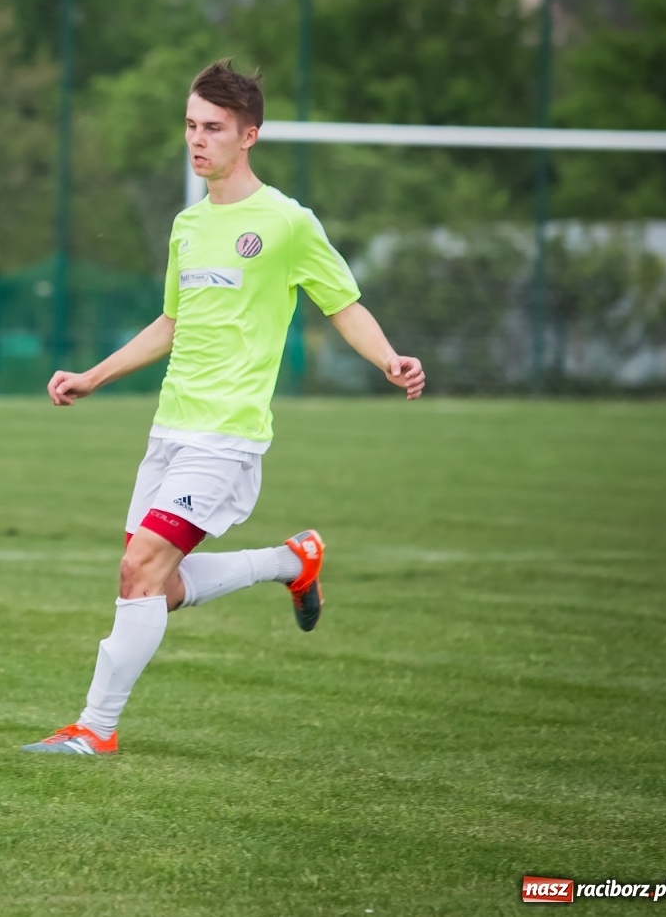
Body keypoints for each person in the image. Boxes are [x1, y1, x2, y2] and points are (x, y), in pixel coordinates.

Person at [21, 60, 424, 756]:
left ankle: (95, 729)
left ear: (249, 137)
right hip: (170, 428)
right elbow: (171, 322)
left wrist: (387, 357)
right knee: (159, 586)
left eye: (212, 129)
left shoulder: (288, 223)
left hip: (229, 435)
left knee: (139, 570)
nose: (197, 140)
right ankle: (291, 561)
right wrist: (96, 375)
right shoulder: (187, 226)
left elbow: (343, 304)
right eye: (189, 126)